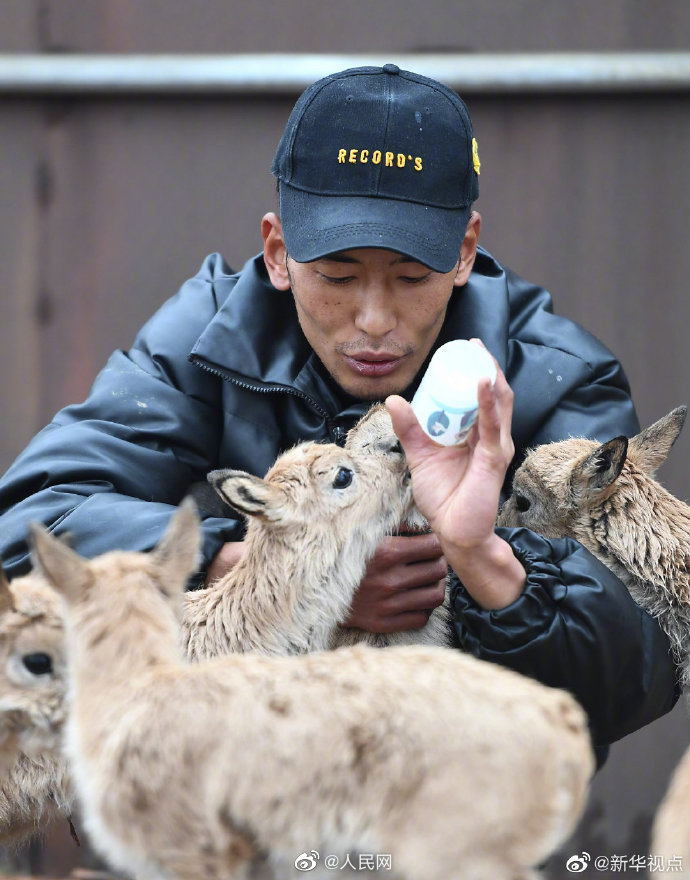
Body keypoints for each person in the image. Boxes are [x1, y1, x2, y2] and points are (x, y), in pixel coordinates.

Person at [0, 64, 678, 765]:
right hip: (225, 808)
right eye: (339, 276)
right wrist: (265, 568)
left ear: (465, 251)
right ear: (278, 252)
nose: (375, 320)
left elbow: (645, 668)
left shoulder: (555, 376)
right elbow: (28, 525)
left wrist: (482, 566)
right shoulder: (208, 335)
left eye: (413, 277)